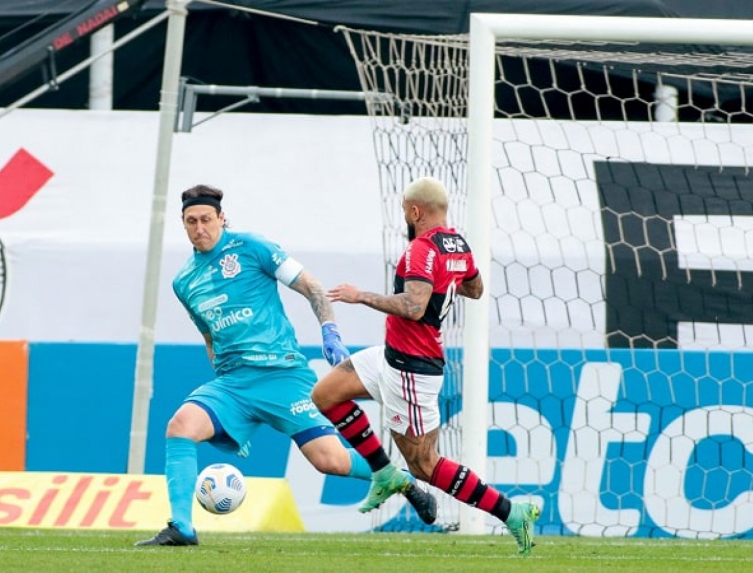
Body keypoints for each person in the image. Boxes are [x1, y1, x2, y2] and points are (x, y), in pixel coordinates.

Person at [137, 184, 436, 546]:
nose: (200, 227)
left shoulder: (252, 247)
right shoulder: (184, 281)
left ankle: (402, 479)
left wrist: (329, 329)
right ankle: (182, 527)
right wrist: (221, 376)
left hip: (283, 375)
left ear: (221, 218)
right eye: (191, 221)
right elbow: (209, 335)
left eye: (206, 219)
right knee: (180, 426)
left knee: (331, 462)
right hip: (232, 383)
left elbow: (311, 285)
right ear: (183, 225)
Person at [310, 176, 540, 556]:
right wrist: (444, 279)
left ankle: (511, 512)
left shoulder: (420, 249)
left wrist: (360, 296)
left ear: (415, 211)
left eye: (405, 210)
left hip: (412, 370)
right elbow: (476, 288)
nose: (405, 216)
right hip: (391, 355)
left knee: (423, 465)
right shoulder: (457, 244)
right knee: (326, 394)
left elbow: (414, 307)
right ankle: (383, 472)